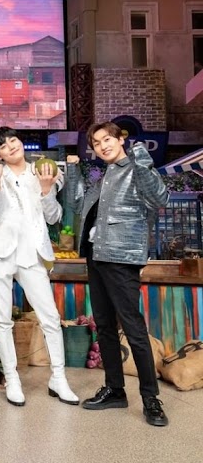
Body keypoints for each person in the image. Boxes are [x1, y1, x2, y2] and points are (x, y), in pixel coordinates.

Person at [66, 122, 169, 427]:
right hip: (96, 257)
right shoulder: (104, 177)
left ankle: (151, 399)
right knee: (105, 327)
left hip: (122, 259)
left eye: (107, 139)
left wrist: (140, 154)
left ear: (121, 139)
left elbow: (160, 198)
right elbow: (76, 204)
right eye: (97, 143)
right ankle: (115, 390)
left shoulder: (135, 168)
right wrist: (72, 172)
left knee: (134, 329)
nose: (103, 146)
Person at [0, 126, 78, 407]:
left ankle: (59, 378)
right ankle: (12, 379)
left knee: (50, 317)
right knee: (2, 319)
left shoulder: (42, 172)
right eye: (3, 146)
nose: (11, 146)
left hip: (32, 255)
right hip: (0, 252)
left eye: (13, 140)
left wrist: (46, 190)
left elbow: (54, 217)